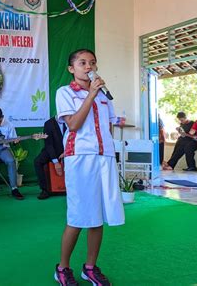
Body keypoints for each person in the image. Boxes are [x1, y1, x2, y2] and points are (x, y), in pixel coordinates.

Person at [54, 49, 124, 286]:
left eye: (92, 62)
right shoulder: (64, 92)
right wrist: (90, 95)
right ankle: (63, 268)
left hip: (103, 156)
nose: (88, 66)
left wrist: (108, 149)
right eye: (82, 62)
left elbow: (109, 126)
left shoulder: (103, 96)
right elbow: (73, 124)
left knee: (98, 216)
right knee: (77, 215)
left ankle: (90, 267)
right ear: (71, 68)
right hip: (80, 157)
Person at [33, 116, 65, 199]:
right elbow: (49, 145)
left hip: (69, 149)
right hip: (53, 150)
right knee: (38, 162)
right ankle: (45, 190)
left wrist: (67, 152)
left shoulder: (72, 120)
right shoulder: (49, 124)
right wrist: (56, 161)